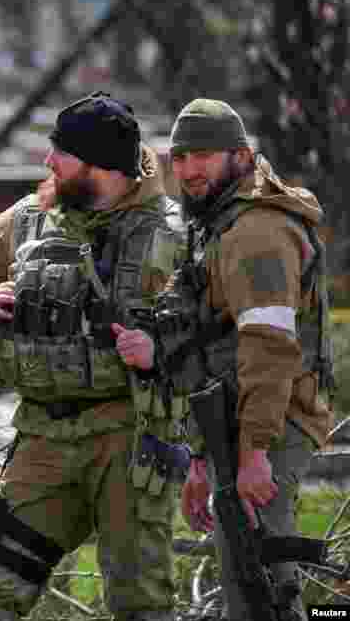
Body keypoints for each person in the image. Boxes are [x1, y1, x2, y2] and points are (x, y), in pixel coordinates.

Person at [0, 92, 186, 621]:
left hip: (129, 438)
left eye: (61, 152)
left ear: (100, 165)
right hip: (42, 438)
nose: (47, 161)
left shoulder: (173, 234)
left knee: (140, 602)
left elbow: (213, 328)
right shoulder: (27, 218)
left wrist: (159, 347)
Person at [156, 99, 333, 620]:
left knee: (262, 584)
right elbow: (202, 342)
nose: (189, 169)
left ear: (240, 156)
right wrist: (200, 458)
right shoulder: (215, 221)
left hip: (269, 422)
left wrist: (254, 451)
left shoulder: (257, 232)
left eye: (203, 155)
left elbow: (269, 349)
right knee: (246, 577)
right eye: (180, 157)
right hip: (232, 420)